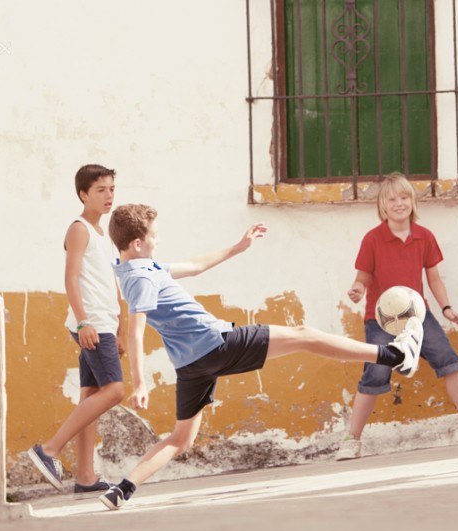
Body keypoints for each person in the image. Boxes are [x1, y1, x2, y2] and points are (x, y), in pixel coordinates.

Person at [98, 203, 425, 510]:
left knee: (180, 438)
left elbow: (196, 267)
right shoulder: (141, 278)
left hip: (191, 364)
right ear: (139, 243)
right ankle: (393, 354)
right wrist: (140, 383)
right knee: (305, 336)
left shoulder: (133, 270)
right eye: (154, 235)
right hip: (217, 342)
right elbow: (135, 330)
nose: (158, 240)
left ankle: (122, 489)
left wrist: (237, 248)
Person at [335, 172, 458, 462]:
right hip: (380, 320)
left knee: (448, 359)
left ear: (412, 201)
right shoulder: (372, 239)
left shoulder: (424, 236)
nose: (399, 203)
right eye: (391, 199)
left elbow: (434, 279)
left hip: (418, 317)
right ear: (382, 206)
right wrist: (357, 289)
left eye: (404, 197)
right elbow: (362, 278)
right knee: (376, 372)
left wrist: (446, 308)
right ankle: (351, 439)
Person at [26, 164, 126, 497]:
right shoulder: (79, 229)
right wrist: (84, 322)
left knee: (91, 396)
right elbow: (71, 278)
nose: (108, 195)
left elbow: (111, 283)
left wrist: (121, 327)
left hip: (105, 323)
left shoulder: (103, 233)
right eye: (101, 190)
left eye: (111, 188)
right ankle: (49, 449)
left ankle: (85, 476)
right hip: (92, 325)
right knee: (115, 391)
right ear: (83, 194)